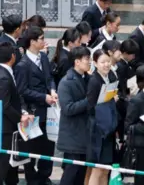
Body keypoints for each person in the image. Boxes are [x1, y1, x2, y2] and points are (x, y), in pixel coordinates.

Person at [13, 26, 57, 184]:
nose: (44, 42)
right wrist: (43, 97)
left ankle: (45, 175)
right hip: (33, 112)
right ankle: (32, 179)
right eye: (41, 39)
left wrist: (52, 90)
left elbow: (50, 77)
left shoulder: (43, 57)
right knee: (31, 148)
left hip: (49, 111)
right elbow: (22, 90)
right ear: (32, 42)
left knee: (48, 146)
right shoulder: (22, 65)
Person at [0, 41, 33, 185]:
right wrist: (20, 117)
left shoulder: (4, 72)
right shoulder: (3, 77)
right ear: (12, 56)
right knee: (1, 162)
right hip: (5, 127)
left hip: (9, 125)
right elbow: (5, 105)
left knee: (9, 161)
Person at [57, 47, 92, 185]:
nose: (89, 62)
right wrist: (89, 101)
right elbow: (68, 108)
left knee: (81, 173)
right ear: (77, 62)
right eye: (86, 59)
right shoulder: (66, 82)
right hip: (73, 134)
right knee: (71, 172)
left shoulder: (88, 78)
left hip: (85, 133)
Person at [86, 52, 119, 185]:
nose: (106, 65)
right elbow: (90, 105)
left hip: (108, 127)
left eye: (108, 61)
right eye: (102, 62)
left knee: (105, 169)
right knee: (98, 168)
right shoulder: (94, 80)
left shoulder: (110, 77)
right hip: (98, 129)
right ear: (95, 64)